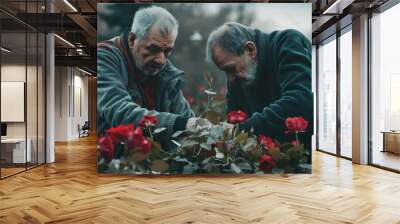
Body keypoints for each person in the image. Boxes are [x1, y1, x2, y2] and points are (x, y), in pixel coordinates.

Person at [97, 6, 210, 147]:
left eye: (167, 51)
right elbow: (120, 111)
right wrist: (180, 124)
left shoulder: (166, 74)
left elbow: (187, 119)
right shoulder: (104, 57)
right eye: (153, 49)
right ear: (132, 39)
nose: (161, 60)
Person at [206, 22, 313, 160]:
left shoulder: (288, 42)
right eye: (225, 71)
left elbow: (301, 101)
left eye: (231, 68)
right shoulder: (237, 80)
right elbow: (233, 127)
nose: (230, 78)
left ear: (250, 50)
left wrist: (241, 131)